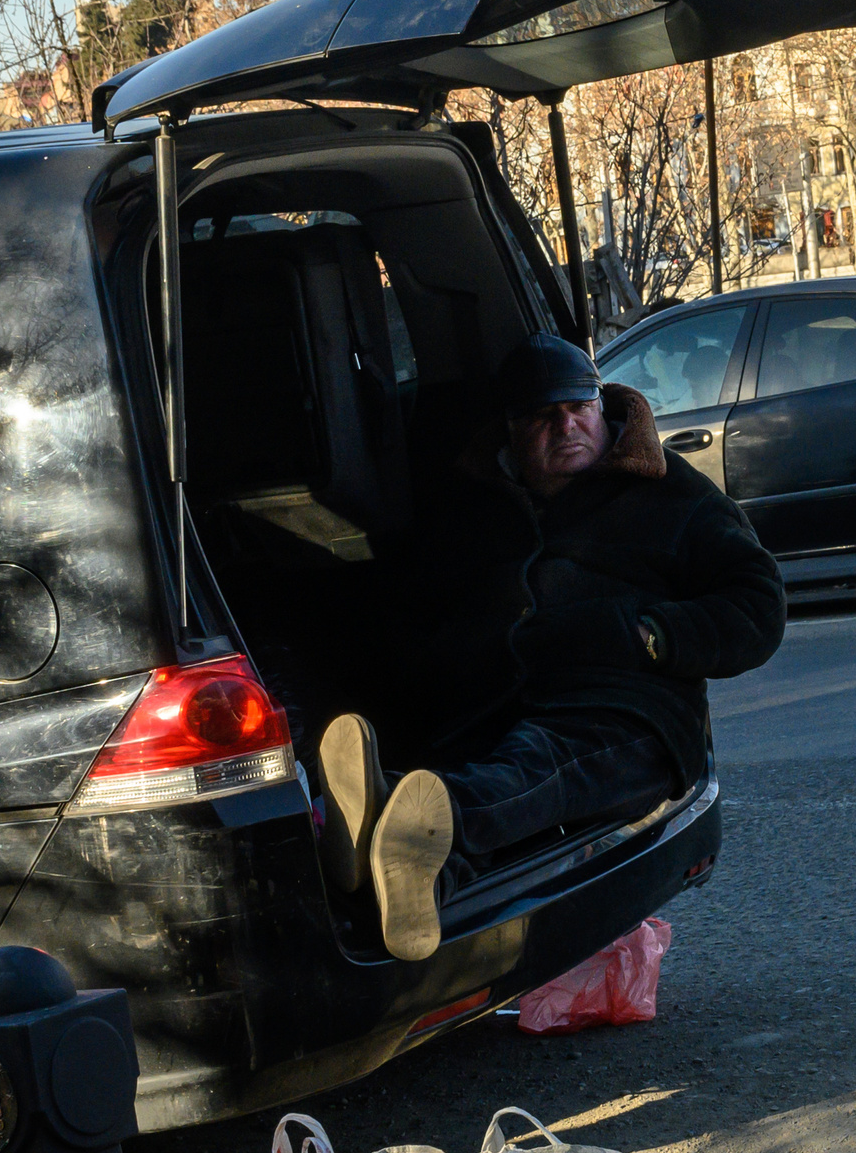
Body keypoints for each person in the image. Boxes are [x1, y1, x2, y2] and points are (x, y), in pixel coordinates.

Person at [317, 334, 786, 961]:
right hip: (496, 703)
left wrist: (650, 635)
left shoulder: (674, 493)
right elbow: (417, 607)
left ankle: (423, 812)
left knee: (540, 766)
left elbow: (758, 605)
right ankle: (416, 879)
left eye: (578, 408)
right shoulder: (472, 504)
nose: (566, 427)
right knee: (492, 769)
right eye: (543, 417)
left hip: (627, 709)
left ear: (601, 405)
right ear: (510, 430)